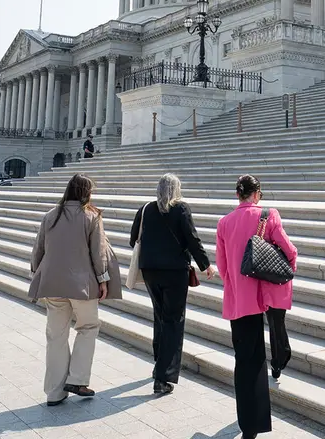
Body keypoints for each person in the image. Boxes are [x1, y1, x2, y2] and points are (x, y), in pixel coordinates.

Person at [215, 176, 297, 439]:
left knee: (244, 360)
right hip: (264, 294)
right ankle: (257, 421)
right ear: (257, 194)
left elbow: (224, 268)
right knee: (258, 359)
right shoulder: (268, 215)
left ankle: (247, 425)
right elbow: (290, 250)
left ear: (238, 195)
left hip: (238, 299)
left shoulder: (224, 223)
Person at [29, 173, 121, 406]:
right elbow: (98, 253)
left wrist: (36, 274)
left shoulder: (50, 216)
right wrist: (103, 280)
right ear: (86, 193)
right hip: (82, 284)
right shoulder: (92, 216)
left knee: (56, 336)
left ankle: (54, 391)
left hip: (53, 283)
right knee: (88, 327)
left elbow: (38, 250)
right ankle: (78, 379)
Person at [130, 174, 212, 395]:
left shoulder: (145, 209)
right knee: (174, 320)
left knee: (160, 316)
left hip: (150, 270)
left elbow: (132, 240)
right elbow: (192, 239)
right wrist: (205, 265)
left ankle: (159, 362)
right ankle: (163, 376)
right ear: (176, 190)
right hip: (175, 272)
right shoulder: (181, 208)